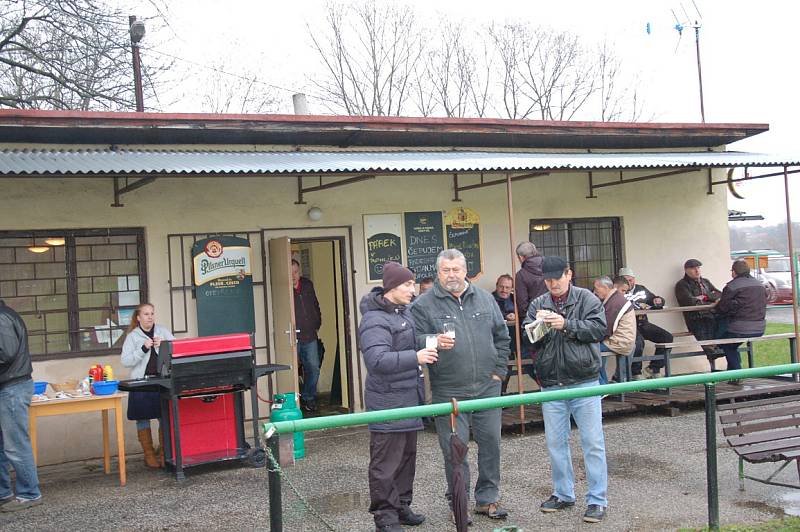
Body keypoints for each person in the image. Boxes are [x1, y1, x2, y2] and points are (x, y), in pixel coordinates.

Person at [411, 249, 511, 522]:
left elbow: (502, 337)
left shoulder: (485, 299)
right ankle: (460, 503)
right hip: (448, 390)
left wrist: (499, 372)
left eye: (456, 269)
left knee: (491, 444)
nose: (452, 275)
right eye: (446, 270)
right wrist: (433, 340)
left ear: (466, 270)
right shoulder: (423, 305)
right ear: (438, 272)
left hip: (487, 388)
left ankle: (487, 499)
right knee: (455, 451)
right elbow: (411, 339)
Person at [525, 257, 608, 524]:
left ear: (569, 274)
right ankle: (563, 493)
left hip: (584, 381)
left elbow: (598, 329)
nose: (553, 284)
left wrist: (566, 324)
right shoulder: (538, 303)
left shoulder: (587, 299)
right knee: (555, 444)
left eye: (557, 278)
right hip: (551, 384)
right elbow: (531, 339)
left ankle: (597, 500)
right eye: (548, 280)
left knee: (593, 443)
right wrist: (540, 326)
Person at [359, 262, 436, 532]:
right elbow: (376, 359)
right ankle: (385, 517)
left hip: (408, 399)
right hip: (388, 403)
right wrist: (415, 357)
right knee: (385, 464)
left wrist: (434, 341)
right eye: (406, 285)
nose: (412, 290)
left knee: (406, 459)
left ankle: (402, 506)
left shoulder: (403, 313)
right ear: (391, 287)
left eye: (412, 284)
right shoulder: (374, 319)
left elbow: (409, 343)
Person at [0, 299, 42, 512]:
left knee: (15, 444)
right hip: (8, 385)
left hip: (12, 387)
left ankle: (29, 493)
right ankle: (3, 493)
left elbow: (5, 354)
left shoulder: (2, 317)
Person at [121, 303, 175, 468]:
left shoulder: (163, 331)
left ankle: (164, 453)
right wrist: (143, 349)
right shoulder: (132, 337)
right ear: (138, 318)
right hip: (141, 382)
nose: (150, 317)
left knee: (163, 416)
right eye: (146, 314)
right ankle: (149, 454)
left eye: (152, 313)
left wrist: (163, 346)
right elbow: (125, 361)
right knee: (143, 418)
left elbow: (178, 351)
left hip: (160, 381)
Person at [618, 267, 674, 379]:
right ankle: (635, 373)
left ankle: (653, 368)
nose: (629, 282)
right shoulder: (618, 291)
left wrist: (658, 300)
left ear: (634, 279)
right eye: (626, 280)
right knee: (638, 343)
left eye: (631, 279)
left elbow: (654, 299)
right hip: (627, 326)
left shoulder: (641, 289)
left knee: (667, 337)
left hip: (642, 323)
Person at [714, 260, 767, 377]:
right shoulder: (760, 285)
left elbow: (722, 309)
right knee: (732, 345)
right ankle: (731, 374)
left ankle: (737, 375)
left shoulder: (732, 286)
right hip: (760, 327)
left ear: (734, 272)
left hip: (740, 328)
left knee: (726, 344)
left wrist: (718, 303)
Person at [675, 259, 723, 370]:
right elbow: (690, 301)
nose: (697, 271)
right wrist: (709, 300)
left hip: (711, 316)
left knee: (724, 327)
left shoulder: (705, 282)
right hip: (696, 318)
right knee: (707, 338)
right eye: (693, 268)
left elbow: (719, 294)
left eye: (698, 268)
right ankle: (712, 356)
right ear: (686, 270)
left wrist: (705, 297)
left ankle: (717, 356)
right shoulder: (682, 285)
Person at [592, 276, 636, 384]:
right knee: (592, 350)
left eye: (597, 289)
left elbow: (606, 329)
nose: (595, 292)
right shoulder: (614, 299)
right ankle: (603, 386)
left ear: (605, 287)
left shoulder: (615, 302)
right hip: (618, 340)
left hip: (619, 342)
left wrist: (589, 336)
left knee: (588, 352)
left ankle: (602, 387)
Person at [292, 259, 323, 413]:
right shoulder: (283, 288)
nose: (293, 276)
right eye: (290, 272)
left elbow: (315, 304)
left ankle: (308, 397)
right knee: (291, 370)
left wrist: (317, 323)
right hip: (291, 336)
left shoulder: (307, 284)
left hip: (310, 334)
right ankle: (293, 402)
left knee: (313, 368)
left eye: (295, 272)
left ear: (300, 272)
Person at [514, 241, 546, 319]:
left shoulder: (521, 275)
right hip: (555, 314)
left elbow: (522, 304)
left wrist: (526, 320)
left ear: (521, 257)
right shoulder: (551, 266)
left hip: (534, 317)